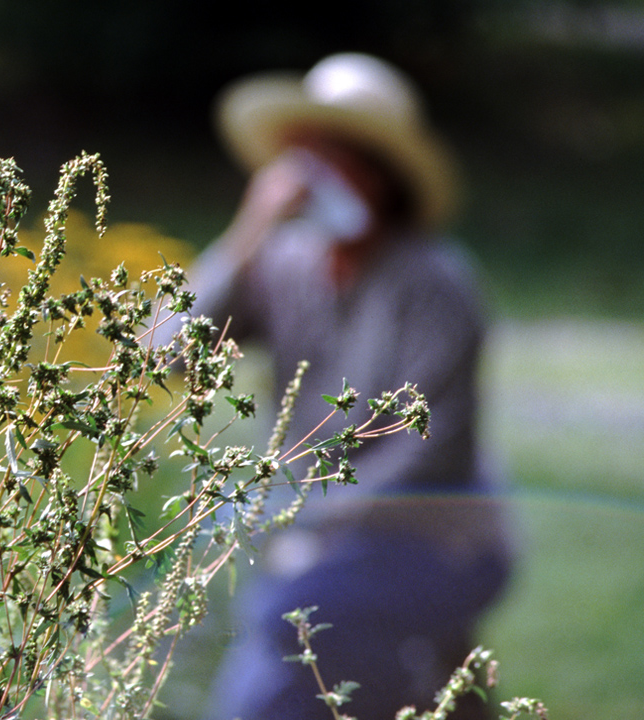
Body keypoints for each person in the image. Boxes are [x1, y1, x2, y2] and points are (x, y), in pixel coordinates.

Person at [165, 54, 513, 719]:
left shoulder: (436, 283)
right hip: (327, 537)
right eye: (304, 158)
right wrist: (248, 232)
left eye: (339, 156)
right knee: (343, 649)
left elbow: (428, 455)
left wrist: (302, 523)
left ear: (384, 176)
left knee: (292, 622)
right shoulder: (282, 263)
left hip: (439, 540)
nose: (316, 176)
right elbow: (164, 357)